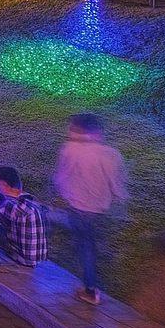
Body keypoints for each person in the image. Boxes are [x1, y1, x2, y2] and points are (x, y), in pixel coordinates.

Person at [54, 113, 128, 305]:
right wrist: (120, 201)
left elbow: (62, 178)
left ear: (78, 129)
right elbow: (117, 184)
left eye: (71, 127)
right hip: (100, 210)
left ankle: (90, 289)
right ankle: (92, 279)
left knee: (85, 246)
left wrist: (64, 194)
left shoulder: (70, 150)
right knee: (90, 244)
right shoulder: (111, 154)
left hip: (78, 206)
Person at [0, 165, 47, 267]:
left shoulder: (7, 206)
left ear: (3, 183)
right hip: (38, 256)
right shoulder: (31, 201)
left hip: (22, 258)